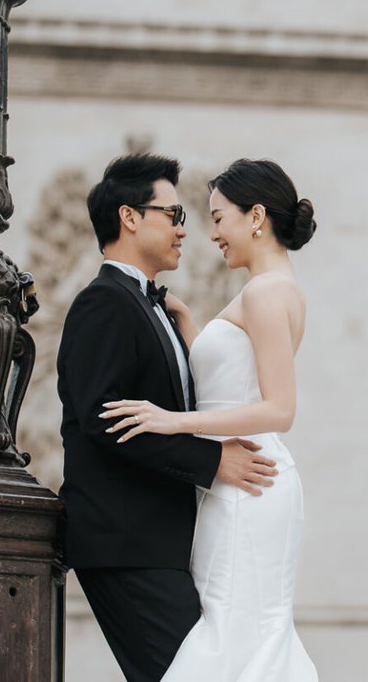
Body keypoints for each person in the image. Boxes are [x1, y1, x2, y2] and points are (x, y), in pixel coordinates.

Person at [57, 153, 279, 682]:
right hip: (126, 545)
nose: (186, 231)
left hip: (160, 543)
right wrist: (212, 461)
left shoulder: (148, 306)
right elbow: (104, 420)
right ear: (130, 217)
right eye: (175, 215)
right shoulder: (104, 304)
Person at [102, 158, 320, 681]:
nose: (213, 233)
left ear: (256, 216)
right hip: (244, 482)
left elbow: (279, 408)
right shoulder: (272, 288)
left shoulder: (266, 292)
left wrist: (170, 421)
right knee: (239, 631)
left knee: (234, 631)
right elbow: (232, 385)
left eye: (219, 217)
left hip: (250, 482)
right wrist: (189, 324)